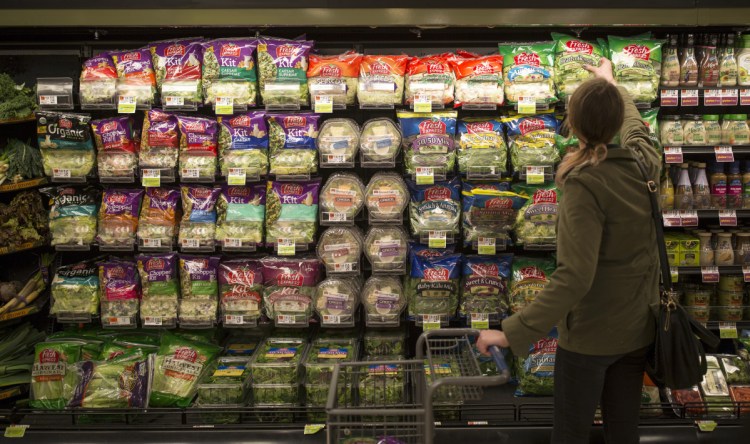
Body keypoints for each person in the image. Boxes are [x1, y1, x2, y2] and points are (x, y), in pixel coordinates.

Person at [476, 58, 661, 444]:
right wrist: (613, 86)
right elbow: (636, 130)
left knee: (571, 433)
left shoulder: (585, 182)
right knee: (624, 430)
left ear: (572, 126)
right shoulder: (646, 163)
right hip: (638, 327)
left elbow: (575, 275)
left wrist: (513, 332)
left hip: (591, 335)